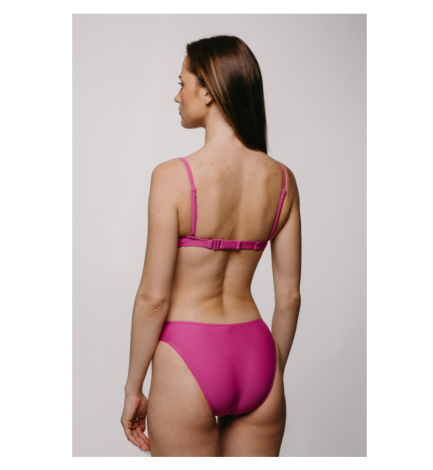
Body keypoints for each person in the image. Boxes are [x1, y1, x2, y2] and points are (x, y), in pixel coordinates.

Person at [121, 35, 302, 457]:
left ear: (207, 91)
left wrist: (134, 388)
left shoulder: (172, 177)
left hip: (188, 355)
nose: (176, 96)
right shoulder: (282, 180)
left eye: (181, 83)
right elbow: (290, 298)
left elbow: (152, 298)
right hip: (257, 356)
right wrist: (270, 371)